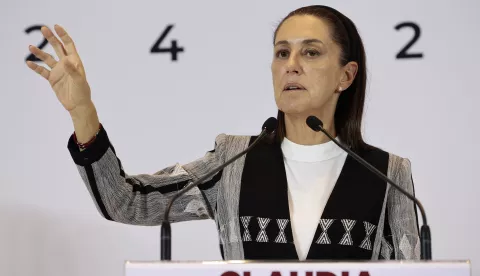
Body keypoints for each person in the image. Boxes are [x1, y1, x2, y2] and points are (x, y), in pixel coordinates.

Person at [26, 5, 420, 261]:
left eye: (311, 52)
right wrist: (82, 110)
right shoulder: (233, 161)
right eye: (282, 52)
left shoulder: (388, 175)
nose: (291, 65)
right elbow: (127, 202)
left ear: (346, 75)